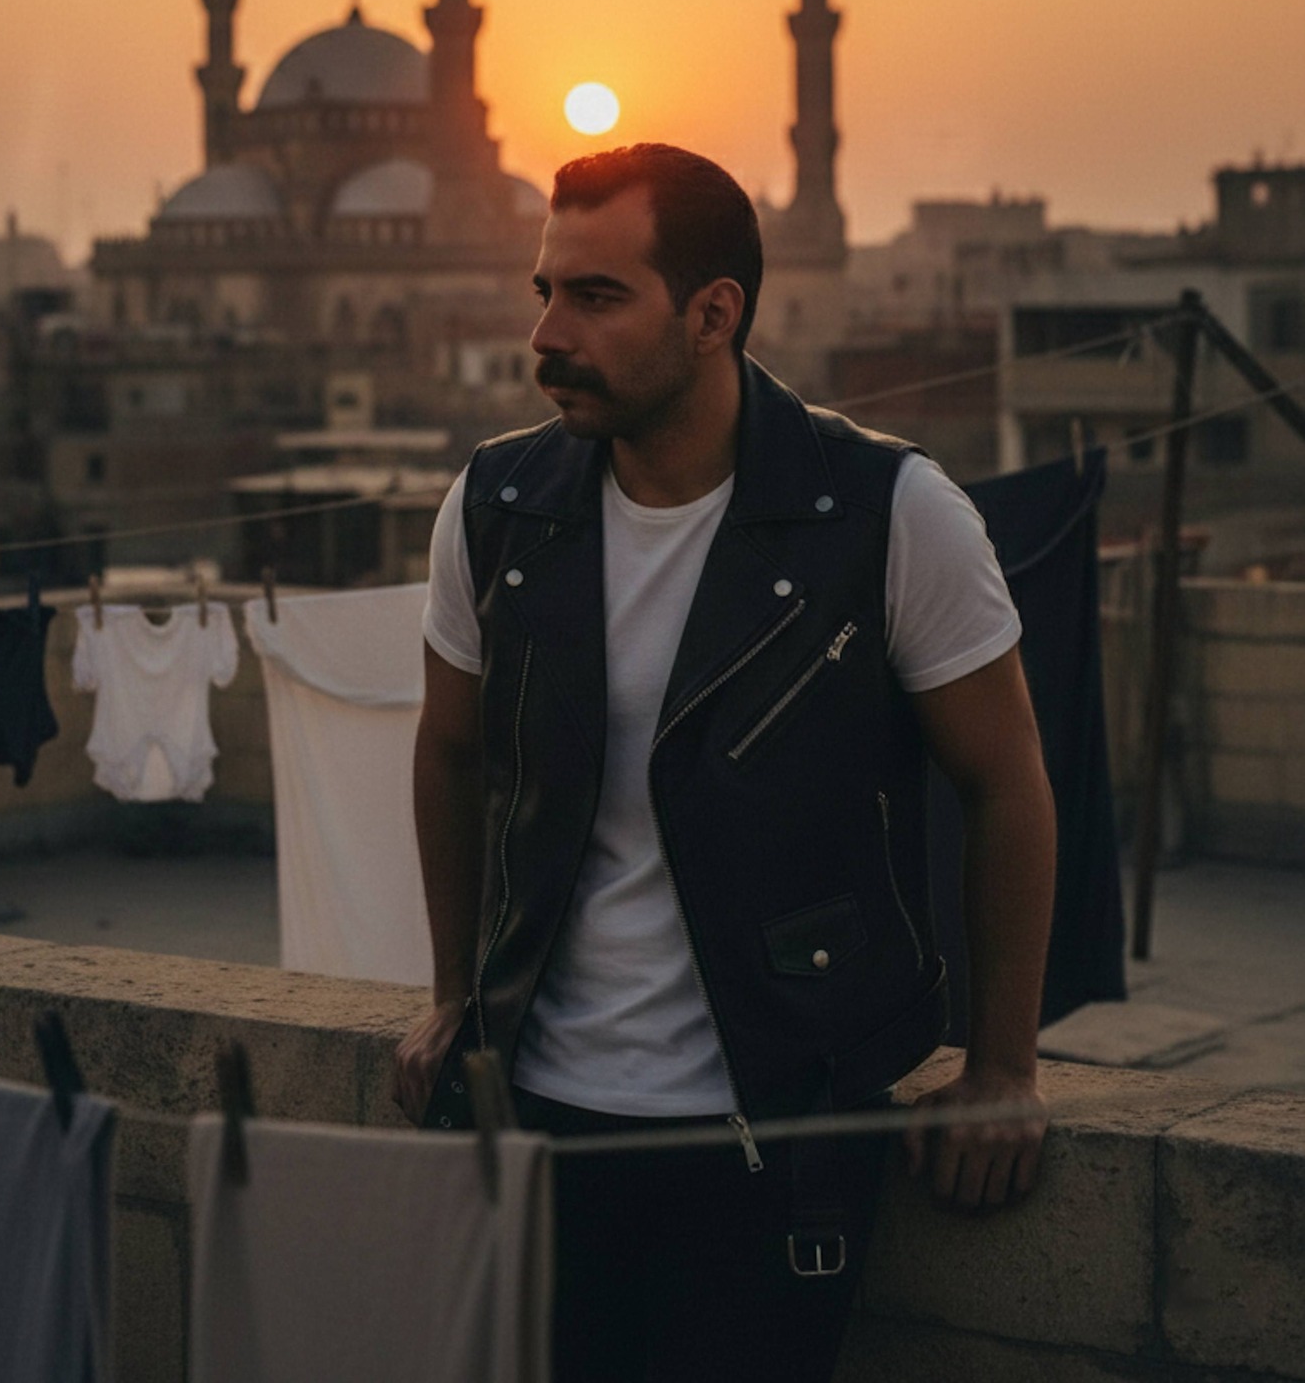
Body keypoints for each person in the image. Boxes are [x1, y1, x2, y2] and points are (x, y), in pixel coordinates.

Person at [395, 144, 1055, 1382]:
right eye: (544, 289)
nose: (548, 332)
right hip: (541, 1121)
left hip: (778, 1123)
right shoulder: (498, 508)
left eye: (595, 297)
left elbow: (1005, 783)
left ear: (713, 314)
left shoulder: (884, 512)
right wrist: (453, 997)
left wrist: (1003, 1063)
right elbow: (449, 752)